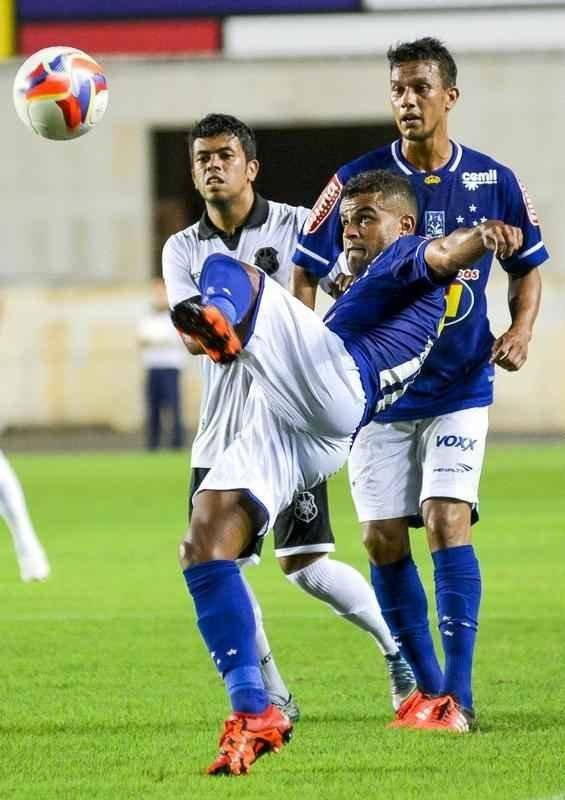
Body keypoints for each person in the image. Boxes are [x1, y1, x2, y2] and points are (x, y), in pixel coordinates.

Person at [171, 168, 523, 774]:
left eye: (366, 218)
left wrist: (481, 236)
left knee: (231, 272)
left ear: (403, 224)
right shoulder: (370, 283)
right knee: (204, 544)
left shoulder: (410, 255)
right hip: (309, 428)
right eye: (346, 219)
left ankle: (223, 323)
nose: (351, 230)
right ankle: (255, 711)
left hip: (338, 382)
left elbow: (444, 251)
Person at [292, 37, 546, 732]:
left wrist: (520, 329)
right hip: (378, 395)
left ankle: (456, 695)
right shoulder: (356, 179)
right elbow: (306, 265)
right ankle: (428, 692)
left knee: (444, 518)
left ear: (449, 96)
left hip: (461, 387)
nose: (407, 100)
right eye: (397, 89)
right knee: (380, 540)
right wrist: (318, 341)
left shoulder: (493, 179)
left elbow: (528, 266)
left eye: (419, 88)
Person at [162, 113, 414, 725]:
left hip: (291, 420)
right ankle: (273, 693)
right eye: (202, 159)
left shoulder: (299, 225)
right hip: (222, 431)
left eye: (225, 155)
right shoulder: (182, 248)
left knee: (304, 566)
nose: (213, 165)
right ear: (195, 174)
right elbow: (192, 334)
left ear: (251, 166)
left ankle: (398, 654)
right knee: (215, 559)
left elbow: (349, 289)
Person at [137, 277, 186, 450]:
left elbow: (178, 339)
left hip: (171, 366)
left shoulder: (175, 315)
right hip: (152, 366)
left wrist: (156, 341)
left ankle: (176, 444)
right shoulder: (147, 317)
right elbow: (141, 340)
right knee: (153, 408)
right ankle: (153, 444)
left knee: (173, 406)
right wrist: (161, 341)